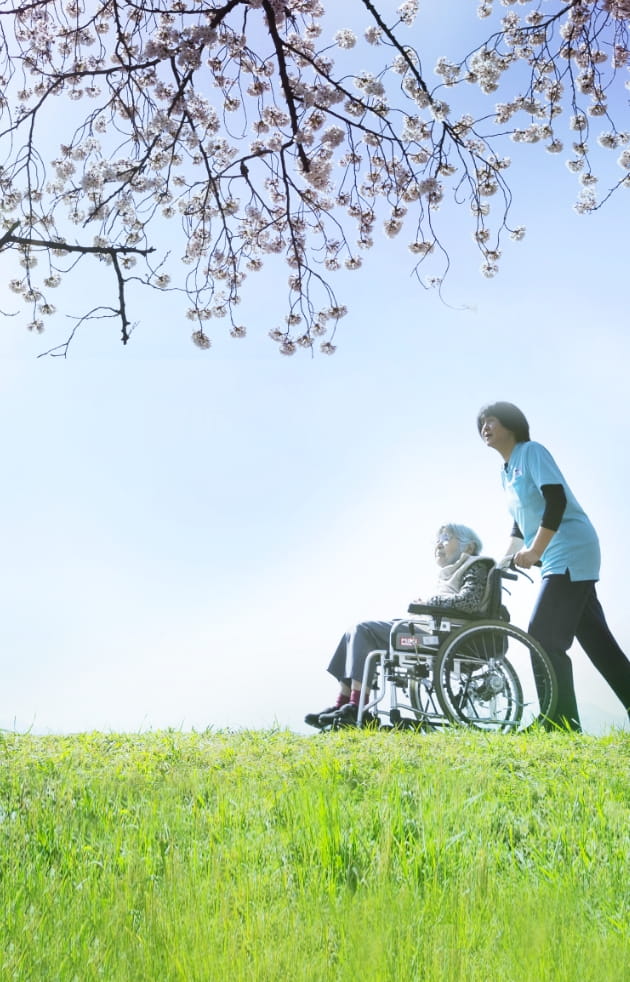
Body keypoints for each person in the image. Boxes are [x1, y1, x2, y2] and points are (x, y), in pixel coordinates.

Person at [477, 401, 630, 731]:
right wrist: (504, 560)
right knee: (598, 642)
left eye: (491, 421)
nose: (484, 428)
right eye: (481, 424)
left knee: (543, 635)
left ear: (511, 424)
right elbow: (520, 525)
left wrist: (534, 551)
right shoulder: (505, 473)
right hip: (555, 554)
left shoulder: (532, 452)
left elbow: (556, 500)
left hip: (570, 548)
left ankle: (559, 721)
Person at [305, 523, 493, 729]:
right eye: (437, 540)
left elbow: (468, 602)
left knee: (363, 630)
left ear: (469, 547)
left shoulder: (476, 565)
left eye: (446, 539)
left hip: (443, 637)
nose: (439, 544)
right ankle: (342, 704)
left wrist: (430, 602)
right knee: (352, 633)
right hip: (430, 630)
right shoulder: (450, 572)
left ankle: (357, 707)